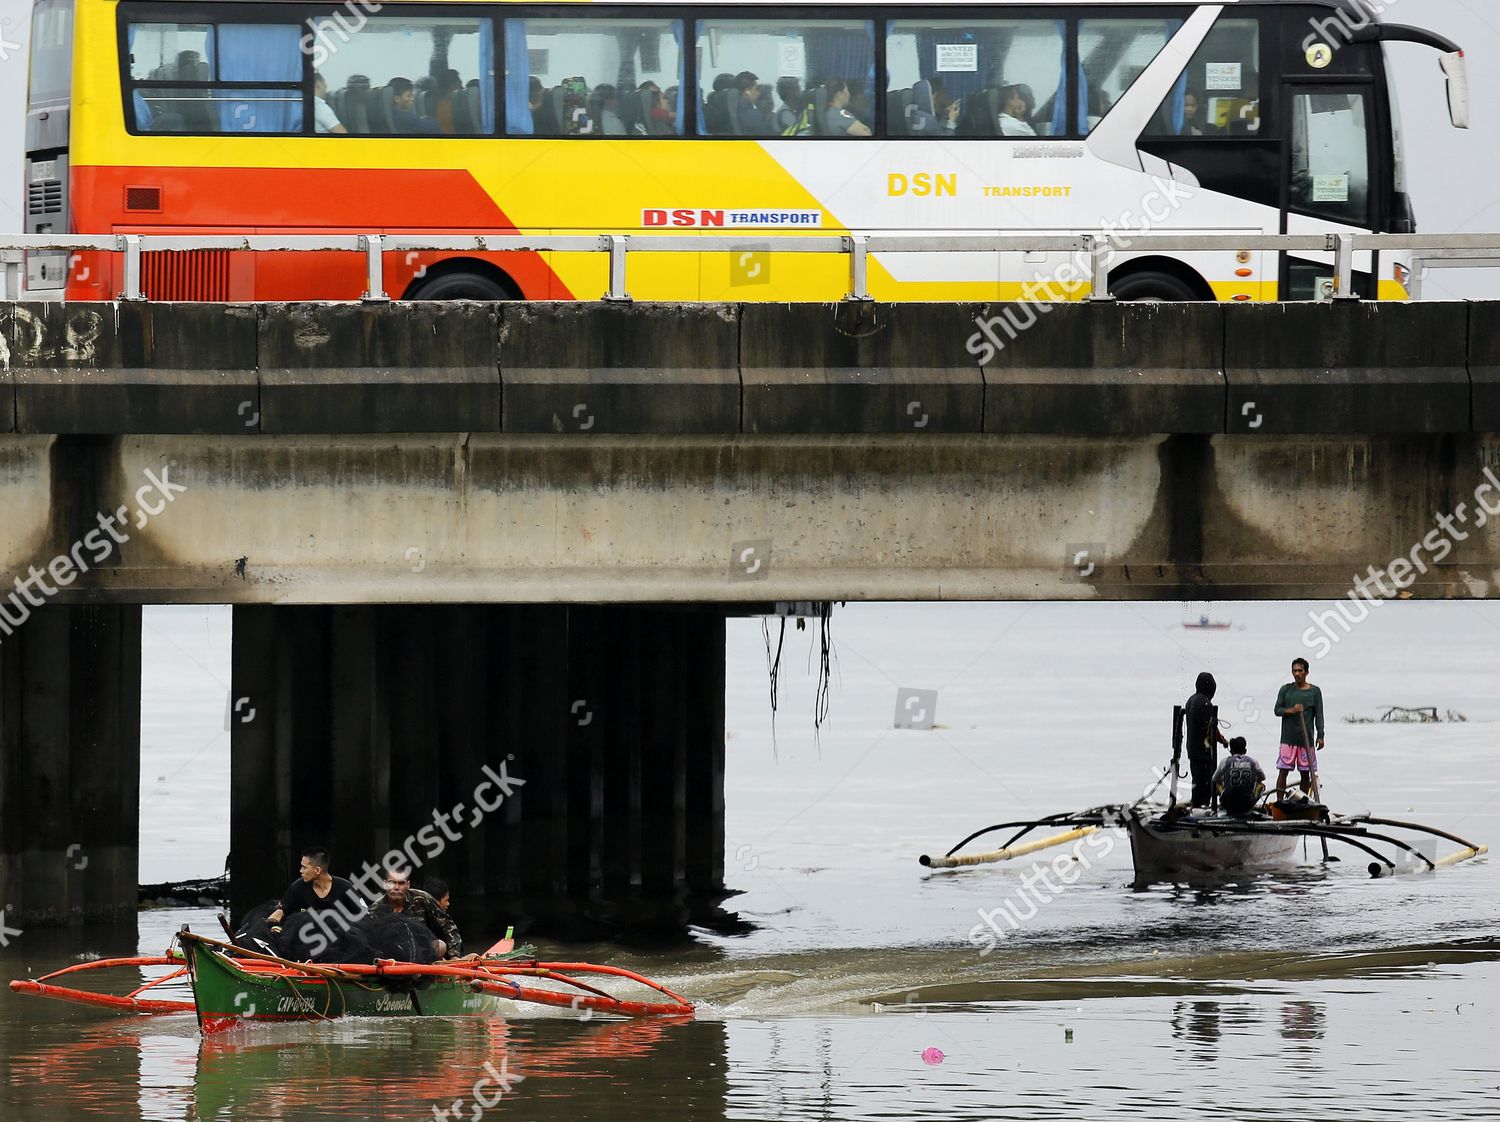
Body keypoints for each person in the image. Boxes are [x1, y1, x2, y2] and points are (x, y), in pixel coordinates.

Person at [368, 865, 463, 959]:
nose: (396, 887)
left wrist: (454, 955)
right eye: (392, 883)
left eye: (401, 883)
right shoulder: (376, 909)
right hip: (393, 954)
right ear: (385, 884)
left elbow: (448, 925)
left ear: (408, 885)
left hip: (424, 950)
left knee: (440, 946)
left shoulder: (421, 899)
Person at [266, 847, 363, 927]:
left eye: (304, 867)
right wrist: (270, 924)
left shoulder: (346, 888)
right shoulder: (297, 887)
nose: (300, 871)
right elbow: (282, 910)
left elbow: (365, 917)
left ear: (317, 870)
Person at [1274, 657, 1325, 799]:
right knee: (1283, 771)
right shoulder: (1286, 690)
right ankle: (1279, 801)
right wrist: (1292, 710)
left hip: (1306, 741)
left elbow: (1319, 715)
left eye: (1300, 671)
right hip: (1288, 740)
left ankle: (1304, 801)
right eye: (1294, 671)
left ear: (1306, 672)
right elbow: (1277, 710)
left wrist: (1320, 736)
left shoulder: (1315, 692)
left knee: (1305, 773)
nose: (1297, 674)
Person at [1184, 671, 1229, 809]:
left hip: (1192, 748)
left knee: (1197, 779)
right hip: (1204, 750)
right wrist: (1223, 741)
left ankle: (1196, 805)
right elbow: (1210, 728)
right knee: (1206, 782)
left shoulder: (1190, 700)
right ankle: (1202, 807)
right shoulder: (1206, 704)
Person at [1214, 737, 1267, 816]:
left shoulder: (1225, 761)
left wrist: (1224, 779)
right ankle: (1249, 805)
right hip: (1247, 802)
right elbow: (1262, 777)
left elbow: (1214, 778)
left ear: (1231, 751)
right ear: (1245, 751)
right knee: (1261, 785)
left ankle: (1219, 804)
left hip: (1228, 802)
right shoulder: (1253, 762)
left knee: (1216, 783)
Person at [735, 71, 773, 136]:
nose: (758, 93)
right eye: (756, 89)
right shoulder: (753, 115)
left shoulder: (734, 107)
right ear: (747, 91)